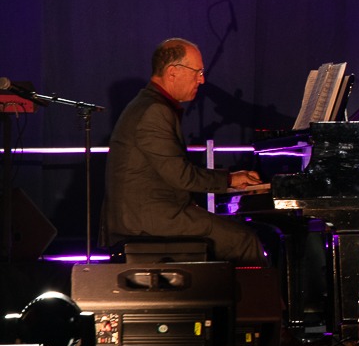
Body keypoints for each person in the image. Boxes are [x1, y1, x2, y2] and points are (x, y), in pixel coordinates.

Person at [102, 38, 267, 263]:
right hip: (150, 220)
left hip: (152, 214)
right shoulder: (154, 111)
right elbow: (180, 175)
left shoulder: (149, 105)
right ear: (172, 72)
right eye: (197, 72)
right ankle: (250, 299)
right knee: (243, 240)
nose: (202, 79)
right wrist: (229, 179)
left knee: (235, 234)